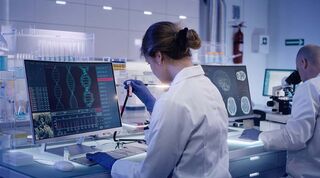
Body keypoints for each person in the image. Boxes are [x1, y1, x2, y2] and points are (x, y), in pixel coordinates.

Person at [87, 21, 231, 178]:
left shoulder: (173, 101)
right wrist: (151, 104)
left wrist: (114, 164)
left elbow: (150, 175)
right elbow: (182, 135)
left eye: (149, 64)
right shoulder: (208, 86)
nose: (152, 70)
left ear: (158, 56)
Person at [240, 44, 320, 178]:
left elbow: (295, 137)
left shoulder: (310, 87)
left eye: (297, 69)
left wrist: (260, 135)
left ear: (303, 63)